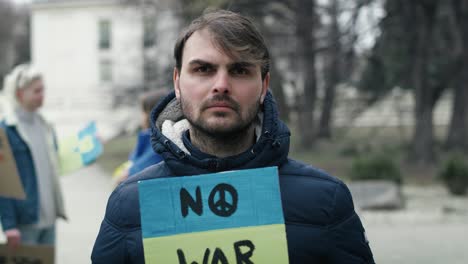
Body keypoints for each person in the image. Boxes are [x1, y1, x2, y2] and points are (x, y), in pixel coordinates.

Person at [92, 10, 374, 263]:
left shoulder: (325, 201)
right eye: (203, 69)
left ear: (264, 85)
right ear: (177, 83)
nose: (221, 85)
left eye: (239, 70)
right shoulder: (129, 205)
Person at [0, 64, 67, 248]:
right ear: (20, 94)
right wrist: (9, 225)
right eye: (37, 91)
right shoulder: (6, 131)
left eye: (43, 89)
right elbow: (3, 182)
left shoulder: (46, 126)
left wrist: (89, 151)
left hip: (50, 220)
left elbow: (56, 164)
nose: (42, 95)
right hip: (24, 223)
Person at [112, 89, 167, 185]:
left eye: (142, 111)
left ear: (150, 113)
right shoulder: (147, 137)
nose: (140, 116)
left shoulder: (158, 142)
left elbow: (142, 168)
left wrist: (127, 174)